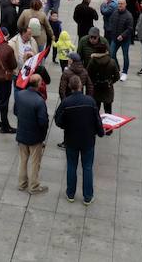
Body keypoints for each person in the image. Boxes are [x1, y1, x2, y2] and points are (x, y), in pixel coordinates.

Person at [54, 74, 103, 205]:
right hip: (88, 140)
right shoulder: (90, 101)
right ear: (81, 86)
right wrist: (101, 132)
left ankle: (70, 194)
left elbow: (58, 121)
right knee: (87, 168)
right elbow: (97, 121)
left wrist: (66, 126)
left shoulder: (66, 103)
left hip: (71, 140)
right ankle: (87, 197)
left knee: (71, 166)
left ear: (70, 87)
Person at [14, 72, 49, 194]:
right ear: (38, 84)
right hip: (35, 137)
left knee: (23, 160)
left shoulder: (20, 95)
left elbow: (15, 111)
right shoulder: (39, 101)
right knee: (35, 162)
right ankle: (33, 186)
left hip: (22, 133)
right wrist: (42, 136)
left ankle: (21, 183)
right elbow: (43, 122)